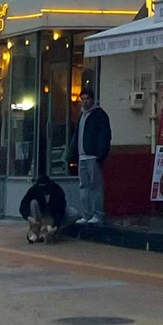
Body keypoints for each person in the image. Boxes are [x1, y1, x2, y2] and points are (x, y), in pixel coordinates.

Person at [69, 86, 111, 224]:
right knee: (84, 186)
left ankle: (97, 214)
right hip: (83, 156)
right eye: (82, 99)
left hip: (93, 156)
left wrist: (100, 155)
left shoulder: (99, 115)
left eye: (87, 99)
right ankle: (87, 214)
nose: (84, 102)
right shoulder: (82, 115)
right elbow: (77, 136)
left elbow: (104, 136)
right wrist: (73, 153)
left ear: (92, 99)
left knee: (95, 186)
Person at [19, 174, 69, 243]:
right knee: (33, 202)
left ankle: (56, 230)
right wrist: (28, 217)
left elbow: (60, 208)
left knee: (74, 214)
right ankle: (36, 232)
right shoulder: (34, 189)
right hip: (41, 213)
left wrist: (56, 225)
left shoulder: (56, 189)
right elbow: (23, 205)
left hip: (54, 213)